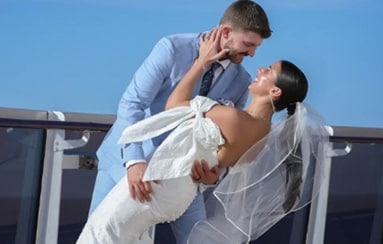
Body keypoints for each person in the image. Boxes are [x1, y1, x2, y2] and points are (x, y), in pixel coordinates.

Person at [78, 27, 327, 243]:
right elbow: (221, 167)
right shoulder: (262, 135)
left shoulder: (232, 117)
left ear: (274, 91)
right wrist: (213, 174)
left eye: (268, 71)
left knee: (100, 234)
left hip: (160, 181)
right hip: (180, 194)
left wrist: (200, 63)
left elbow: (174, 104)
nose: (259, 67)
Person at [88, 1, 271, 243]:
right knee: (99, 236)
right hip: (127, 164)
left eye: (256, 47)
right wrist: (134, 161)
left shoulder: (241, 81)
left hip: (184, 178)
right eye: (248, 45)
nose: (252, 54)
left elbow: (228, 143)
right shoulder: (172, 48)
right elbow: (132, 104)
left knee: (198, 239)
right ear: (226, 32)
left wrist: (214, 176)